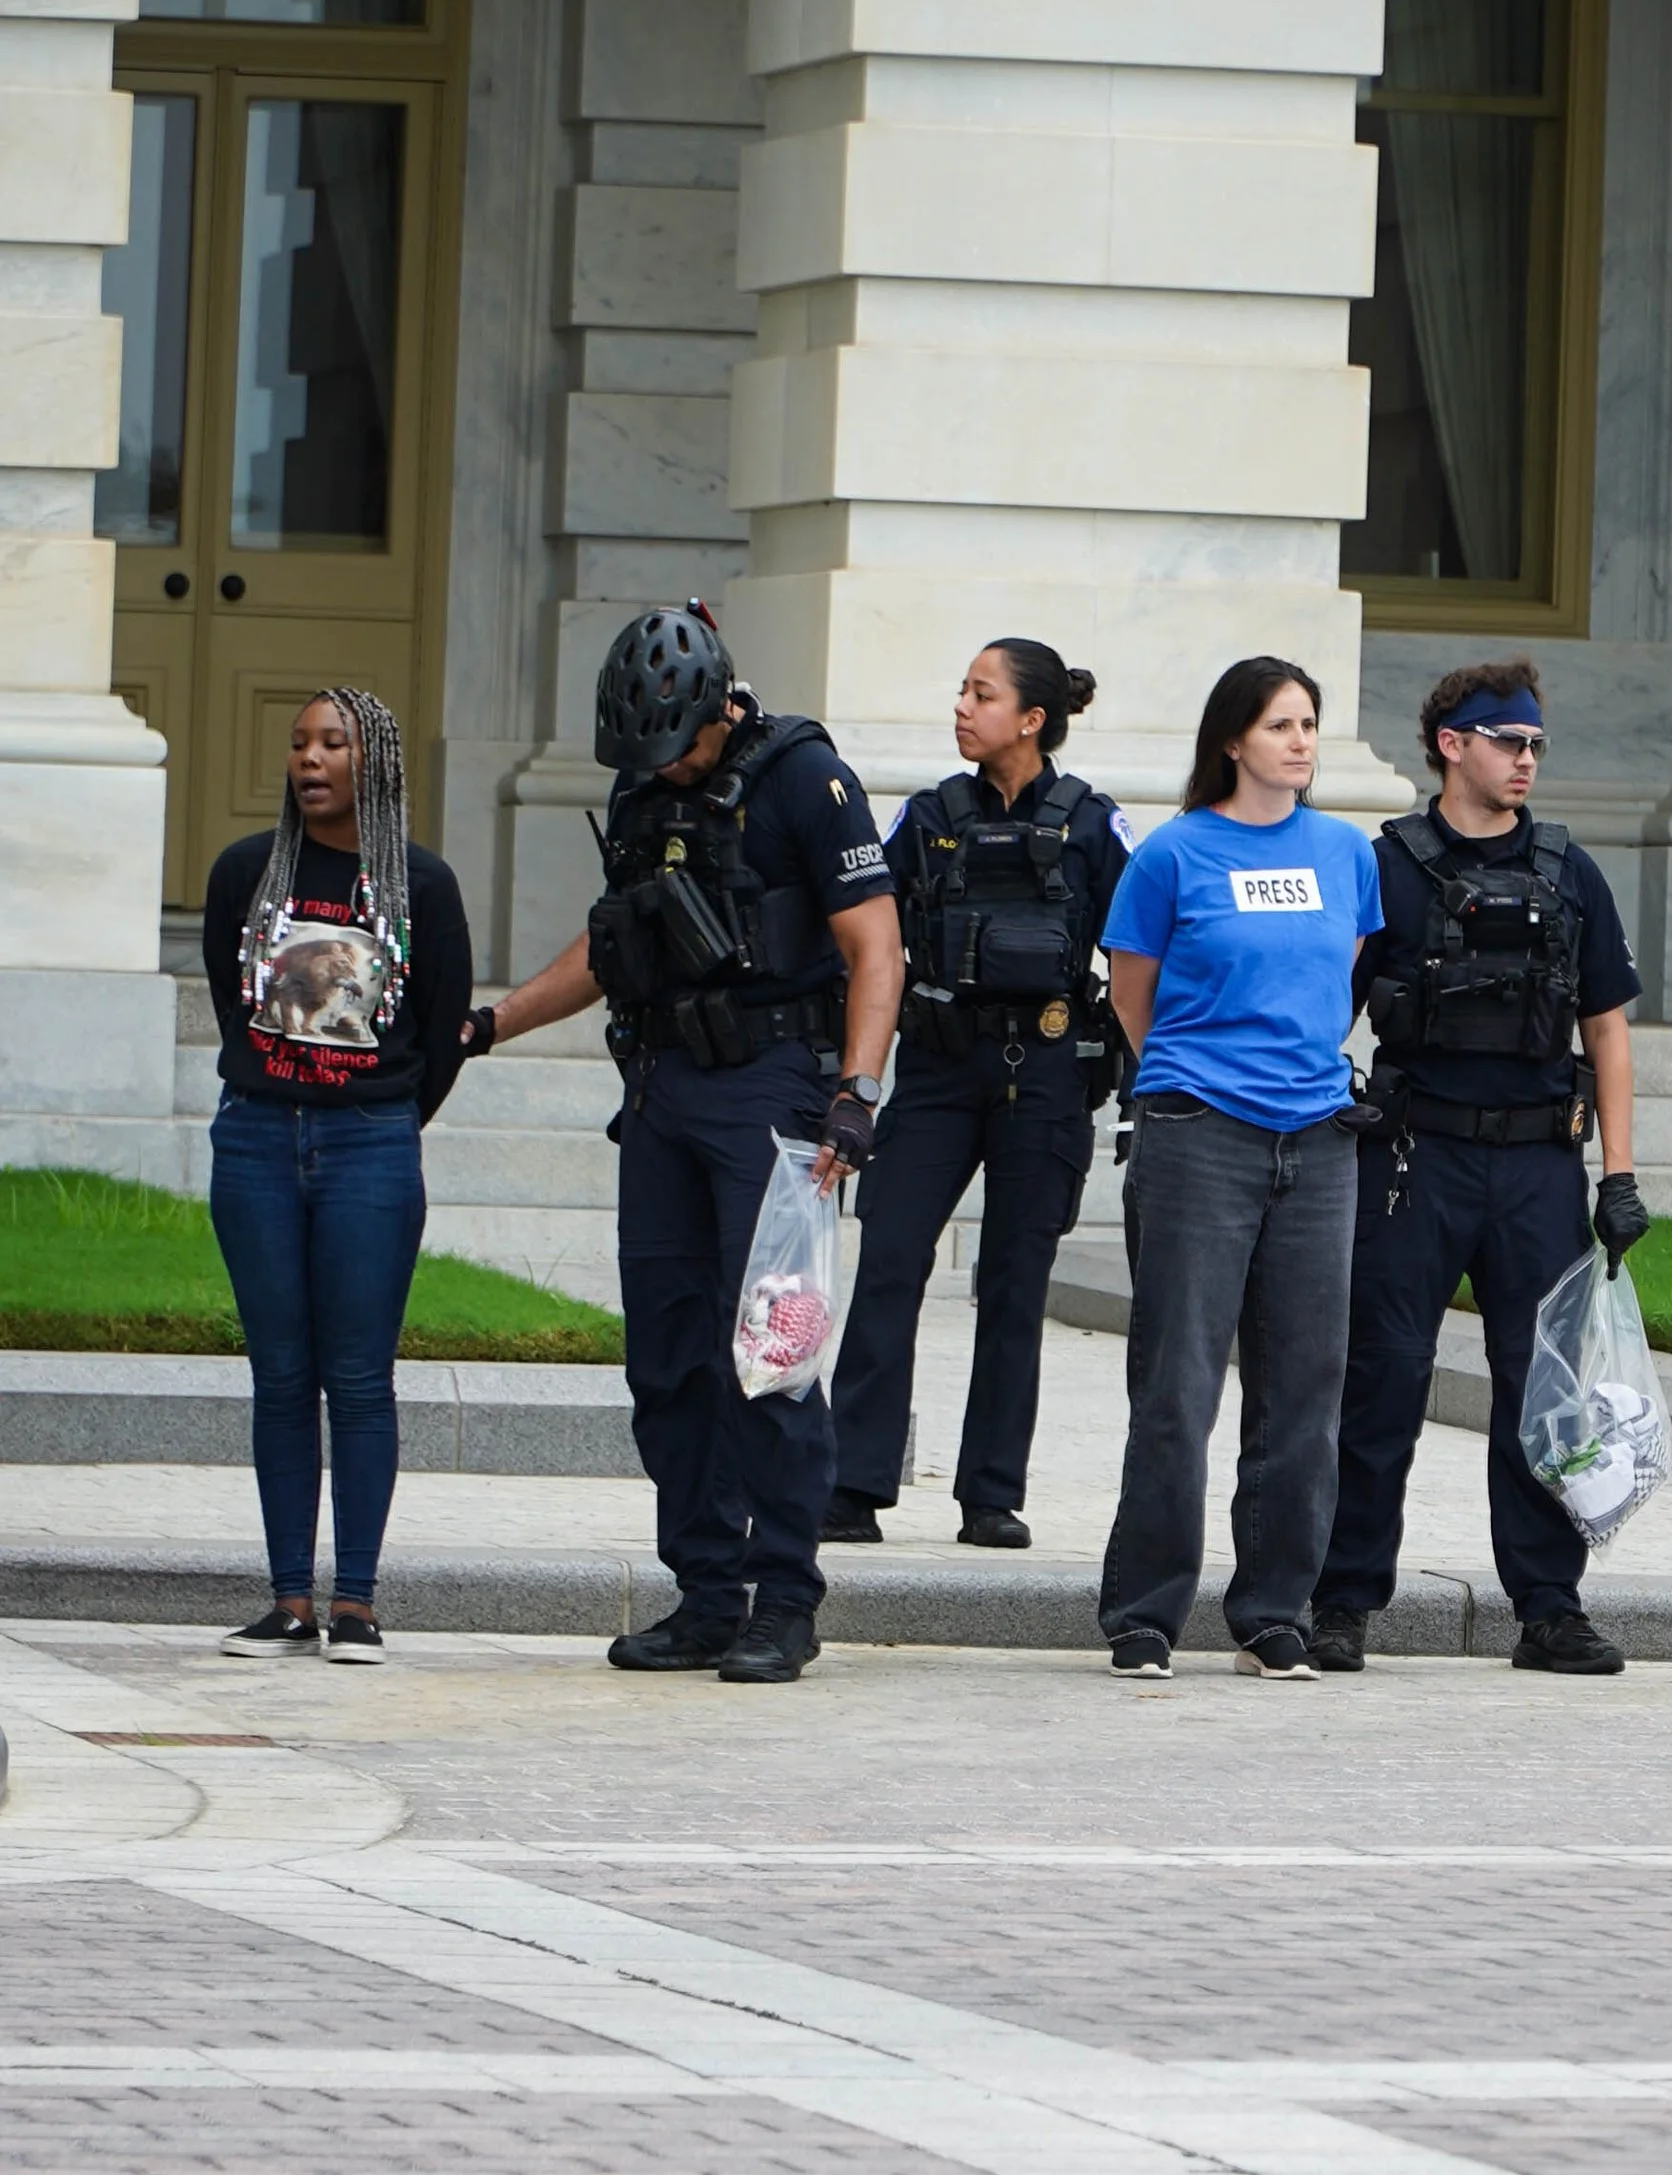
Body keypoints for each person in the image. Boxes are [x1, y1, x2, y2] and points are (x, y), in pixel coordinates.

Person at [476, 603, 903, 1685]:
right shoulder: (641, 784)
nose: (662, 774)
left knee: (770, 1352)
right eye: (645, 758)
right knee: (668, 1358)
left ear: (719, 709)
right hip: (666, 1090)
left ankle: (787, 1599)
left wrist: (856, 1093)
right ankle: (708, 1594)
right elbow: (608, 941)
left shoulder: (809, 780)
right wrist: (490, 1024)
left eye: (677, 750)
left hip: (772, 1093)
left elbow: (875, 943)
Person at [1310, 661, 1649, 1680]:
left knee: (1543, 1389)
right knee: (1380, 1382)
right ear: (1453, 746)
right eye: (1509, 740)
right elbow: (1327, 1005)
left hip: (1540, 1162)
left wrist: (1618, 1176)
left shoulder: (1568, 870)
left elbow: (1609, 1031)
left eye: (1537, 743)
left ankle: (1549, 1607)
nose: (1527, 759)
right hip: (1416, 1158)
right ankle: (1342, 1600)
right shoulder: (1387, 865)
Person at [1096, 656, 1381, 1681]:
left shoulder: (1348, 855)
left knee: (1304, 1387)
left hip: (1318, 1138)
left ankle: (1272, 1611)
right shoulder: (1169, 856)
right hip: (1199, 1132)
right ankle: (1143, 1613)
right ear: (1231, 741)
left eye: (1309, 724)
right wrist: (1203, 1073)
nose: (1300, 742)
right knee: (1176, 1384)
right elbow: (1135, 999)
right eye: (1279, 725)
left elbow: (1339, 978)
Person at [823, 640, 1130, 1550]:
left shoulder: (1091, 824)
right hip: (940, 1067)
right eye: (962, 689)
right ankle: (855, 1483)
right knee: (889, 1264)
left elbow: (1146, 944)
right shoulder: (927, 818)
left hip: (1044, 1071)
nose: (961, 706)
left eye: (981, 694)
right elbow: (866, 933)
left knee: (1013, 1284)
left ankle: (990, 1495)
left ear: (1032, 720)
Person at [203, 686, 472, 1666]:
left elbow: (440, 1031)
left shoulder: (424, 888)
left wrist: (381, 1113)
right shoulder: (246, 874)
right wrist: (283, 1090)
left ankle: (354, 1600)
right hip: (258, 1141)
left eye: (333, 743)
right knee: (281, 1374)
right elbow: (232, 1009)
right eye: (299, 743)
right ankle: (287, 1600)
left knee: (357, 1377)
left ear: (377, 764)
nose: (310, 759)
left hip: (369, 1145)